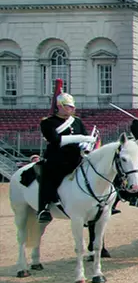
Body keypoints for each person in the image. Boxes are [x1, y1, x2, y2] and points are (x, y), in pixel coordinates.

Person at [37, 83, 92, 223]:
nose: (72, 109)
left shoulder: (77, 121)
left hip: (77, 157)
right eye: (69, 106)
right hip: (58, 158)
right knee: (49, 176)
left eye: (73, 107)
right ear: (60, 106)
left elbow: (85, 137)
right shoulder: (48, 122)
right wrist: (81, 138)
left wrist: (86, 143)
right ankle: (44, 208)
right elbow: (55, 140)